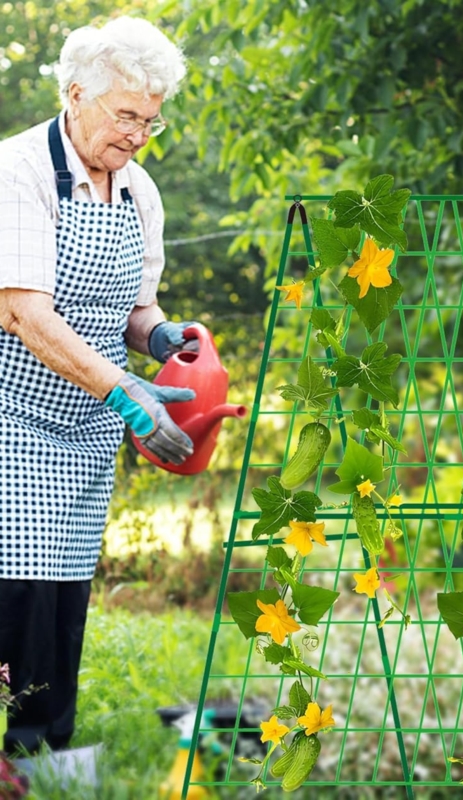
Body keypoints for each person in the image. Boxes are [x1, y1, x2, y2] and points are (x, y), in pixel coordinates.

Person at [0, 16, 199, 753]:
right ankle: (25, 752)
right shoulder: (18, 171)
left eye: (150, 120)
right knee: (19, 594)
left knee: (63, 604)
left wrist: (162, 337)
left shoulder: (139, 191)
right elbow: (23, 311)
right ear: (76, 93)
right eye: (126, 116)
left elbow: (134, 309)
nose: (138, 135)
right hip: (12, 417)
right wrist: (123, 390)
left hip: (86, 430)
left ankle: (47, 762)